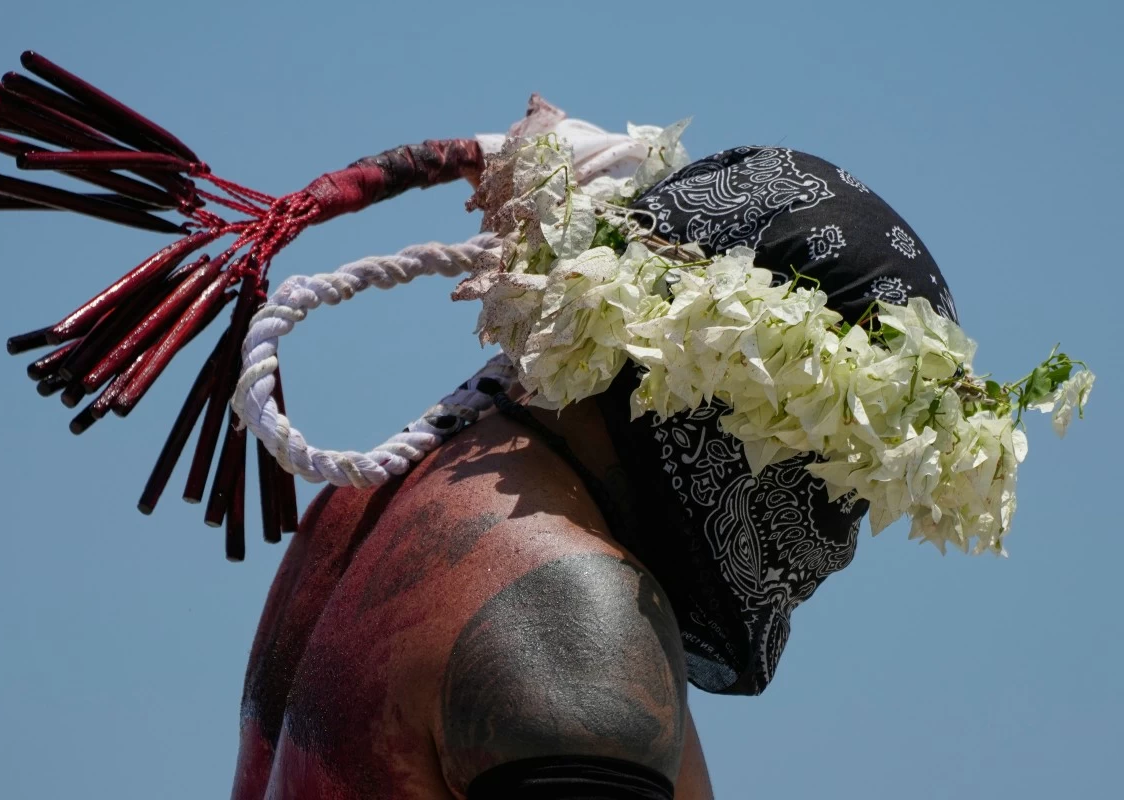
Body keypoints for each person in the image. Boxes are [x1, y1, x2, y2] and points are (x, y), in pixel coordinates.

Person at [229, 145, 959, 799]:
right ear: (713, 383)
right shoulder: (574, 617)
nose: (842, 530)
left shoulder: (378, 499)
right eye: (840, 457)